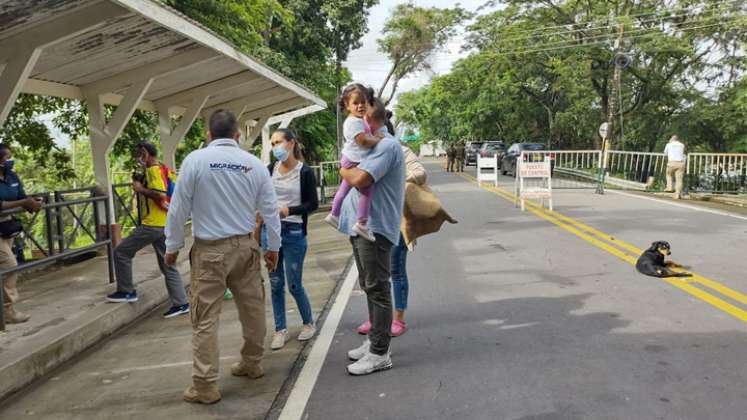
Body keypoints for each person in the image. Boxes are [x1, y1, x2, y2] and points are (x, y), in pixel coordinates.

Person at [164, 110, 281, 404]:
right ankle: (252, 363)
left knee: (205, 319)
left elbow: (178, 209)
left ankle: (205, 386)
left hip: (210, 251)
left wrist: (172, 246)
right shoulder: (253, 164)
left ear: (208, 135)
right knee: (253, 309)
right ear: (238, 135)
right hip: (246, 248)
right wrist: (273, 248)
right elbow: (270, 210)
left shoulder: (195, 160)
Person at [339, 99, 405, 376]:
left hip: (375, 228)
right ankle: (375, 341)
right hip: (361, 226)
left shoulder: (387, 146)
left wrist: (343, 169)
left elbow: (359, 179)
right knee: (369, 285)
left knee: (377, 287)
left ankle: (380, 352)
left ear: (371, 119)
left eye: (361, 114)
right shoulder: (373, 145)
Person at [106, 142, 189, 318]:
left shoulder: (153, 170)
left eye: (138, 154)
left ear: (144, 153)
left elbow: (159, 194)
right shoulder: (164, 169)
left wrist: (140, 189)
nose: (137, 159)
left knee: (121, 252)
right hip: (166, 222)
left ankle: (127, 291)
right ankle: (181, 303)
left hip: (153, 224)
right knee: (168, 265)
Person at [260, 128, 318, 350]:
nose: (276, 147)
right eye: (273, 143)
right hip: (270, 231)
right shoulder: (269, 170)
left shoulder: (305, 172)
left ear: (292, 143)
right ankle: (280, 329)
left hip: (294, 232)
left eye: (279, 142)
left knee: (294, 284)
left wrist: (288, 210)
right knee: (275, 283)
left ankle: (308, 323)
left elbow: (312, 204)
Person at [325, 84, 385, 242]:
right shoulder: (354, 122)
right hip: (354, 160)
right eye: (356, 103)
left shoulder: (357, 120)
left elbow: (365, 134)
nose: (360, 106)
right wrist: (377, 139)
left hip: (350, 158)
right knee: (367, 189)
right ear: (347, 105)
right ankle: (362, 222)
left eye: (363, 102)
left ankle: (334, 214)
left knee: (343, 189)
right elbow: (363, 141)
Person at [0, 144, 42, 324]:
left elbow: (21, 196)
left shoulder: (12, 176)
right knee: (10, 265)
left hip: (7, 227)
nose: (9, 160)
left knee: (5, 268)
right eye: (5, 157)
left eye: (9, 157)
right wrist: (24, 202)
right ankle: (7, 311)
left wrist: (32, 202)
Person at [664, 135, 686, 199]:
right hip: (680, 163)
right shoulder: (682, 145)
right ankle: (677, 194)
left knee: (669, 175)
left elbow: (665, 153)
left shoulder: (669, 144)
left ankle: (669, 187)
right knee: (679, 180)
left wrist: (669, 142)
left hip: (671, 163)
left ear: (672, 139)